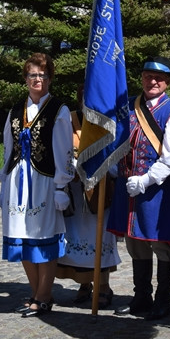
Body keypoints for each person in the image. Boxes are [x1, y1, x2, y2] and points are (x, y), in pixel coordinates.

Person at [0, 53, 75, 317]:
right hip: (18, 183)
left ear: (50, 78)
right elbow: (9, 148)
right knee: (23, 239)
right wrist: (4, 180)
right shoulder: (15, 110)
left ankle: (43, 296)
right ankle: (36, 293)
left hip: (44, 181)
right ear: (25, 78)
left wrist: (61, 187)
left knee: (44, 239)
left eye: (42, 75)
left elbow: (65, 151)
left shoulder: (59, 110)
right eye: (33, 74)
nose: (37, 79)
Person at [109, 56, 170, 320]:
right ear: (141, 78)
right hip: (126, 186)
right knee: (134, 243)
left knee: (160, 244)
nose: (153, 82)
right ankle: (141, 296)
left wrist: (145, 181)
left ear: (166, 82)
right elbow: (116, 140)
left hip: (155, 188)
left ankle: (163, 300)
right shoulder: (129, 106)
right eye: (148, 76)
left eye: (159, 78)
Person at [57, 85, 119, 310]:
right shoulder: (70, 119)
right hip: (74, 190)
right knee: (76, 240)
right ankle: (84, 285)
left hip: (99, 190)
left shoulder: (108, 123)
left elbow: (117, 155)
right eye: (85, 97)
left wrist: (102, 169)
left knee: (99, 239)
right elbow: (60, 148)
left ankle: (103, 287)